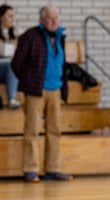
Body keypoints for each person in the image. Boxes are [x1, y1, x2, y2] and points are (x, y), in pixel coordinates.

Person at [12, 6, 71, 182]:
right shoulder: (30, 36)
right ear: (42, 20)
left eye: (56, 18)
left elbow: (62, 63)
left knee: (54, 131)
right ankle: (31, 169)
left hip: (56, 89)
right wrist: (29, 80)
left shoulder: (60, 37)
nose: (54, 22)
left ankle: (52, 169)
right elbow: (16, 64)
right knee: (32, 130)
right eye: (50, 18)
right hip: (35, 90)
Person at [0, 4, 20, 109]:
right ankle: (12, 98)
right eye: (10, 16)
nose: (13, 19)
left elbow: (20, 51)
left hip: (9, 68)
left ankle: (13, 99)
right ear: (1, 17)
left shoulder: (15, 33)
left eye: (13, 16)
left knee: (14, 64)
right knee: (12, 63)